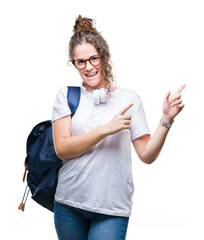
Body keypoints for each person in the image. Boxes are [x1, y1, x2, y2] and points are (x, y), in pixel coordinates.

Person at [52, 15, 185, 240]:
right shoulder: (66, 96)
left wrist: (166, 119)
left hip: (111, 210)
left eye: (93, 58)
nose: (88, 67)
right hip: (69, 205)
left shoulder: (129, 99)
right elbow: (62, 149)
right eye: (81, 62)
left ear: (103, 57)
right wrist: (106, 129)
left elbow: (147, 155)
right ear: (74, 64)